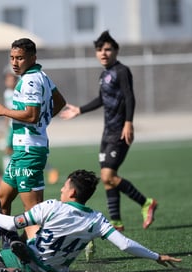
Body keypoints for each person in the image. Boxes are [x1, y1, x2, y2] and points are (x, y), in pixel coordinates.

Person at [0, 169, 182, 272]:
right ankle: (20, 247)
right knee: (33, 230)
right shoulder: (96, 219)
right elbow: (125, 245)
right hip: (57, 271)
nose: (60, 190)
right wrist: (156, 256)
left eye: (64, 187)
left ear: (71, 192)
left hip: (33, 263)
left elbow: (13, 223)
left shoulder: (52, 207)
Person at [60, 30, 157, 232]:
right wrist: (79, 110)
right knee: (107, 179)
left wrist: (129, 122)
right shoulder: (104, 75)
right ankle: (116, 222)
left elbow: (130, 97)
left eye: (107, 49)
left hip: (120, 132)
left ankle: (146, 203)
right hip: (107, 133)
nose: (103, 53)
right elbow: (102, 99)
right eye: (99, 49)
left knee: (107, 176)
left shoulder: (122, 71)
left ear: (115, 51)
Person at [0, 38, 66, 239]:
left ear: (33, 58)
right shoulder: (42, 76)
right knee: (1, 200)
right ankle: (6, 247)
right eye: (12, 58)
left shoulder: (30, 80)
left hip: (29, 151)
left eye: (20, 58)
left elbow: (31, 115)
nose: (15, 62)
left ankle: (50, 249)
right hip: (22, 151)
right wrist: (44, 120)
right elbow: (60, 102)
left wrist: (4, 111)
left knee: (32, 213)